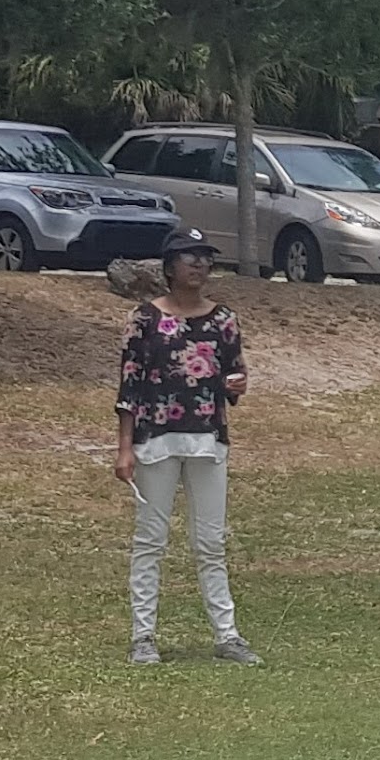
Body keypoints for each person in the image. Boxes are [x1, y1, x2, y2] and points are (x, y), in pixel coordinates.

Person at [113, 229, 254, 665]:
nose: (199, 265)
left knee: (210, 541)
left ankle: (227, 634)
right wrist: (124, 449)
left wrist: (238, 386)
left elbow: (233, 376)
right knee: (151, 539)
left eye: (204, 258)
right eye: (189, 257)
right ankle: (143, 636)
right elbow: (129, 386)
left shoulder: (223, 320)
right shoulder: (145, 320)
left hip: (207, 437)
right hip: (155, 438)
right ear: (169, 266)